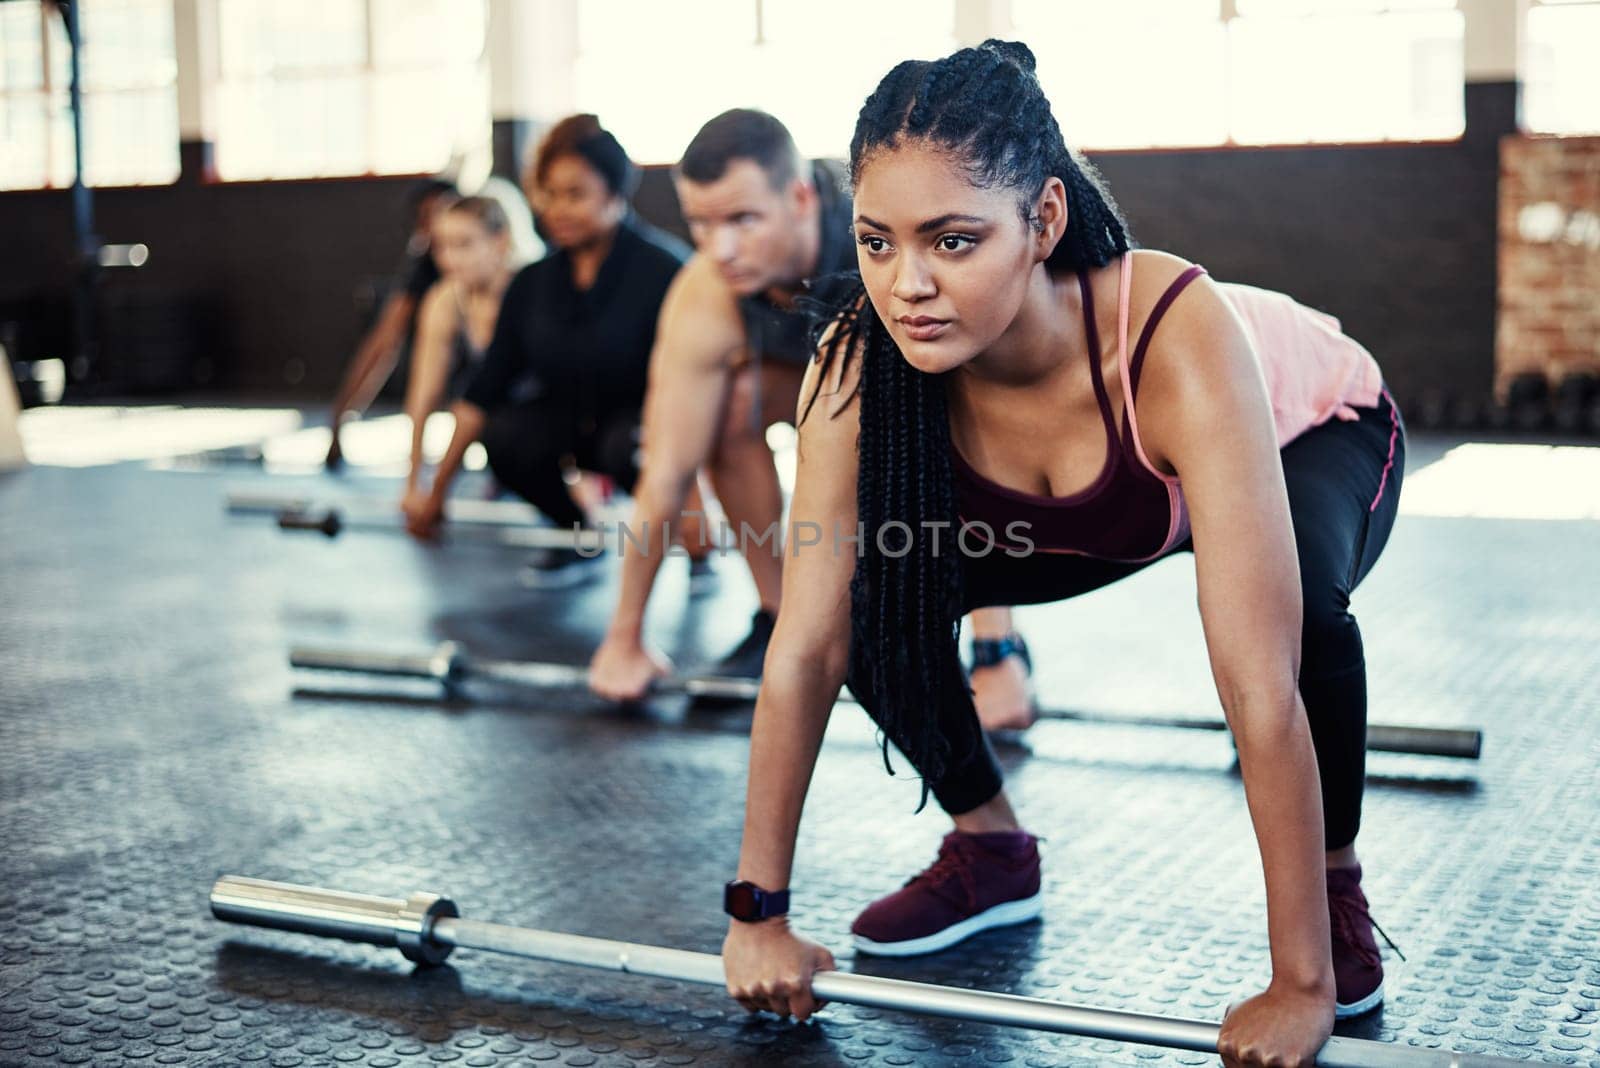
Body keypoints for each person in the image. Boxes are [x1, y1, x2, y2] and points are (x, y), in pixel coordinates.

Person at [718, 41, 1406, 1068]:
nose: (907, 284)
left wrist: (1296, 983)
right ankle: (989, 842)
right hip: (1089, 510)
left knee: (1297, 614)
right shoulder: (858, 364)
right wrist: (756, 913)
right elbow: (805, 645)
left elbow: (1256, 685)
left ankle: (1335, 888)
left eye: (952, 242)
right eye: (876, 242)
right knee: (867, 595)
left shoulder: (1171, 332)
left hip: (1313, 431)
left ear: (1042, 221)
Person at [586, 110, 1036, 716]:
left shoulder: (880, 240)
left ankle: (993, 645)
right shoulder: (709, 289)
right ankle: (779, 617)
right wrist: (624, 639)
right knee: (723, 416)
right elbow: (667, 468)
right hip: (813, 373)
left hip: (924, 384)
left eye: (743, 220)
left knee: (939, 410)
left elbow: (976, 414)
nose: (720, 248)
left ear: (799, 197)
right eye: (701, 223)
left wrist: (994, 652)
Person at [403, 115, 699, 587]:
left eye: (575, 194)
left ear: (615, 194)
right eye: (550, 194)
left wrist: (696, 503)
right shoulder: (534, 283)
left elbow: (698, 390)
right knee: (503, 435)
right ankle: (579, 534)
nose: (557, 209)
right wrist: (433, 492)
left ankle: (692, 545)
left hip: (644, 431)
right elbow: (485, 389)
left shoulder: (667, 271)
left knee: (632, 444)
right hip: (570, 422)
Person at [325, 177, 458, 468]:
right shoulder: (424, 265)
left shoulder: (496, 257)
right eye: (427, 219)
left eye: (443, 214)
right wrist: (340, 418)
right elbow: (384, 341)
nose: (437, 227)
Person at [397, 196, 515, 516]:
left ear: (500, 241)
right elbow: (424, 394)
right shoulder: (446, 298)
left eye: (464, 244)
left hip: (538, 406)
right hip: (489, 404)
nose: (450, 259)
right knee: (472, 405)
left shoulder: (525, 289)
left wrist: (437, 493)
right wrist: (412, 486)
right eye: (442, 247)